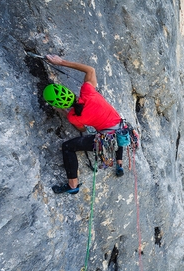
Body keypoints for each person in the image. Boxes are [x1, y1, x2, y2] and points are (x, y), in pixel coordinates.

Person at [43, 55, 124, 194]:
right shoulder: (88, 91)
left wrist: (63, 111)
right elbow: (90, 70)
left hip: (107, 138)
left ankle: (73, 186)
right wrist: (60, 62)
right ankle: (119, 164)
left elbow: (82, 129)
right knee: (115, 133)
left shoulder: (73, 116)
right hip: (122, 129)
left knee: (67, 147)